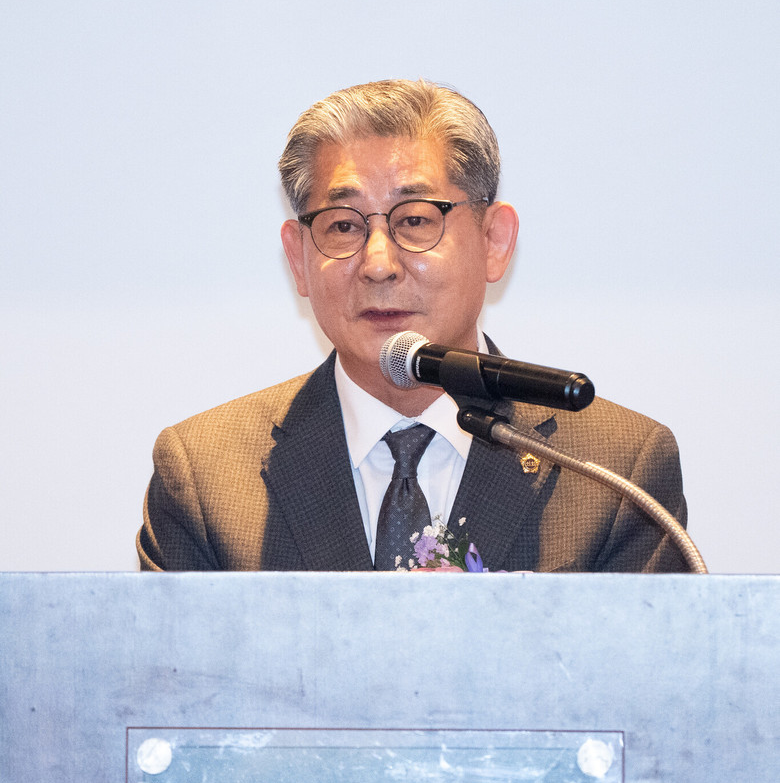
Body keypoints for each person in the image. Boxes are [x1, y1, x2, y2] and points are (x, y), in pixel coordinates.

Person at [137, 79, 687, 573]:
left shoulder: (616, 473)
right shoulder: (205, 478)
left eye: (416, 220)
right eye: (343, 226)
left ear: (494, 241)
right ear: (298, 257)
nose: (378, 264)